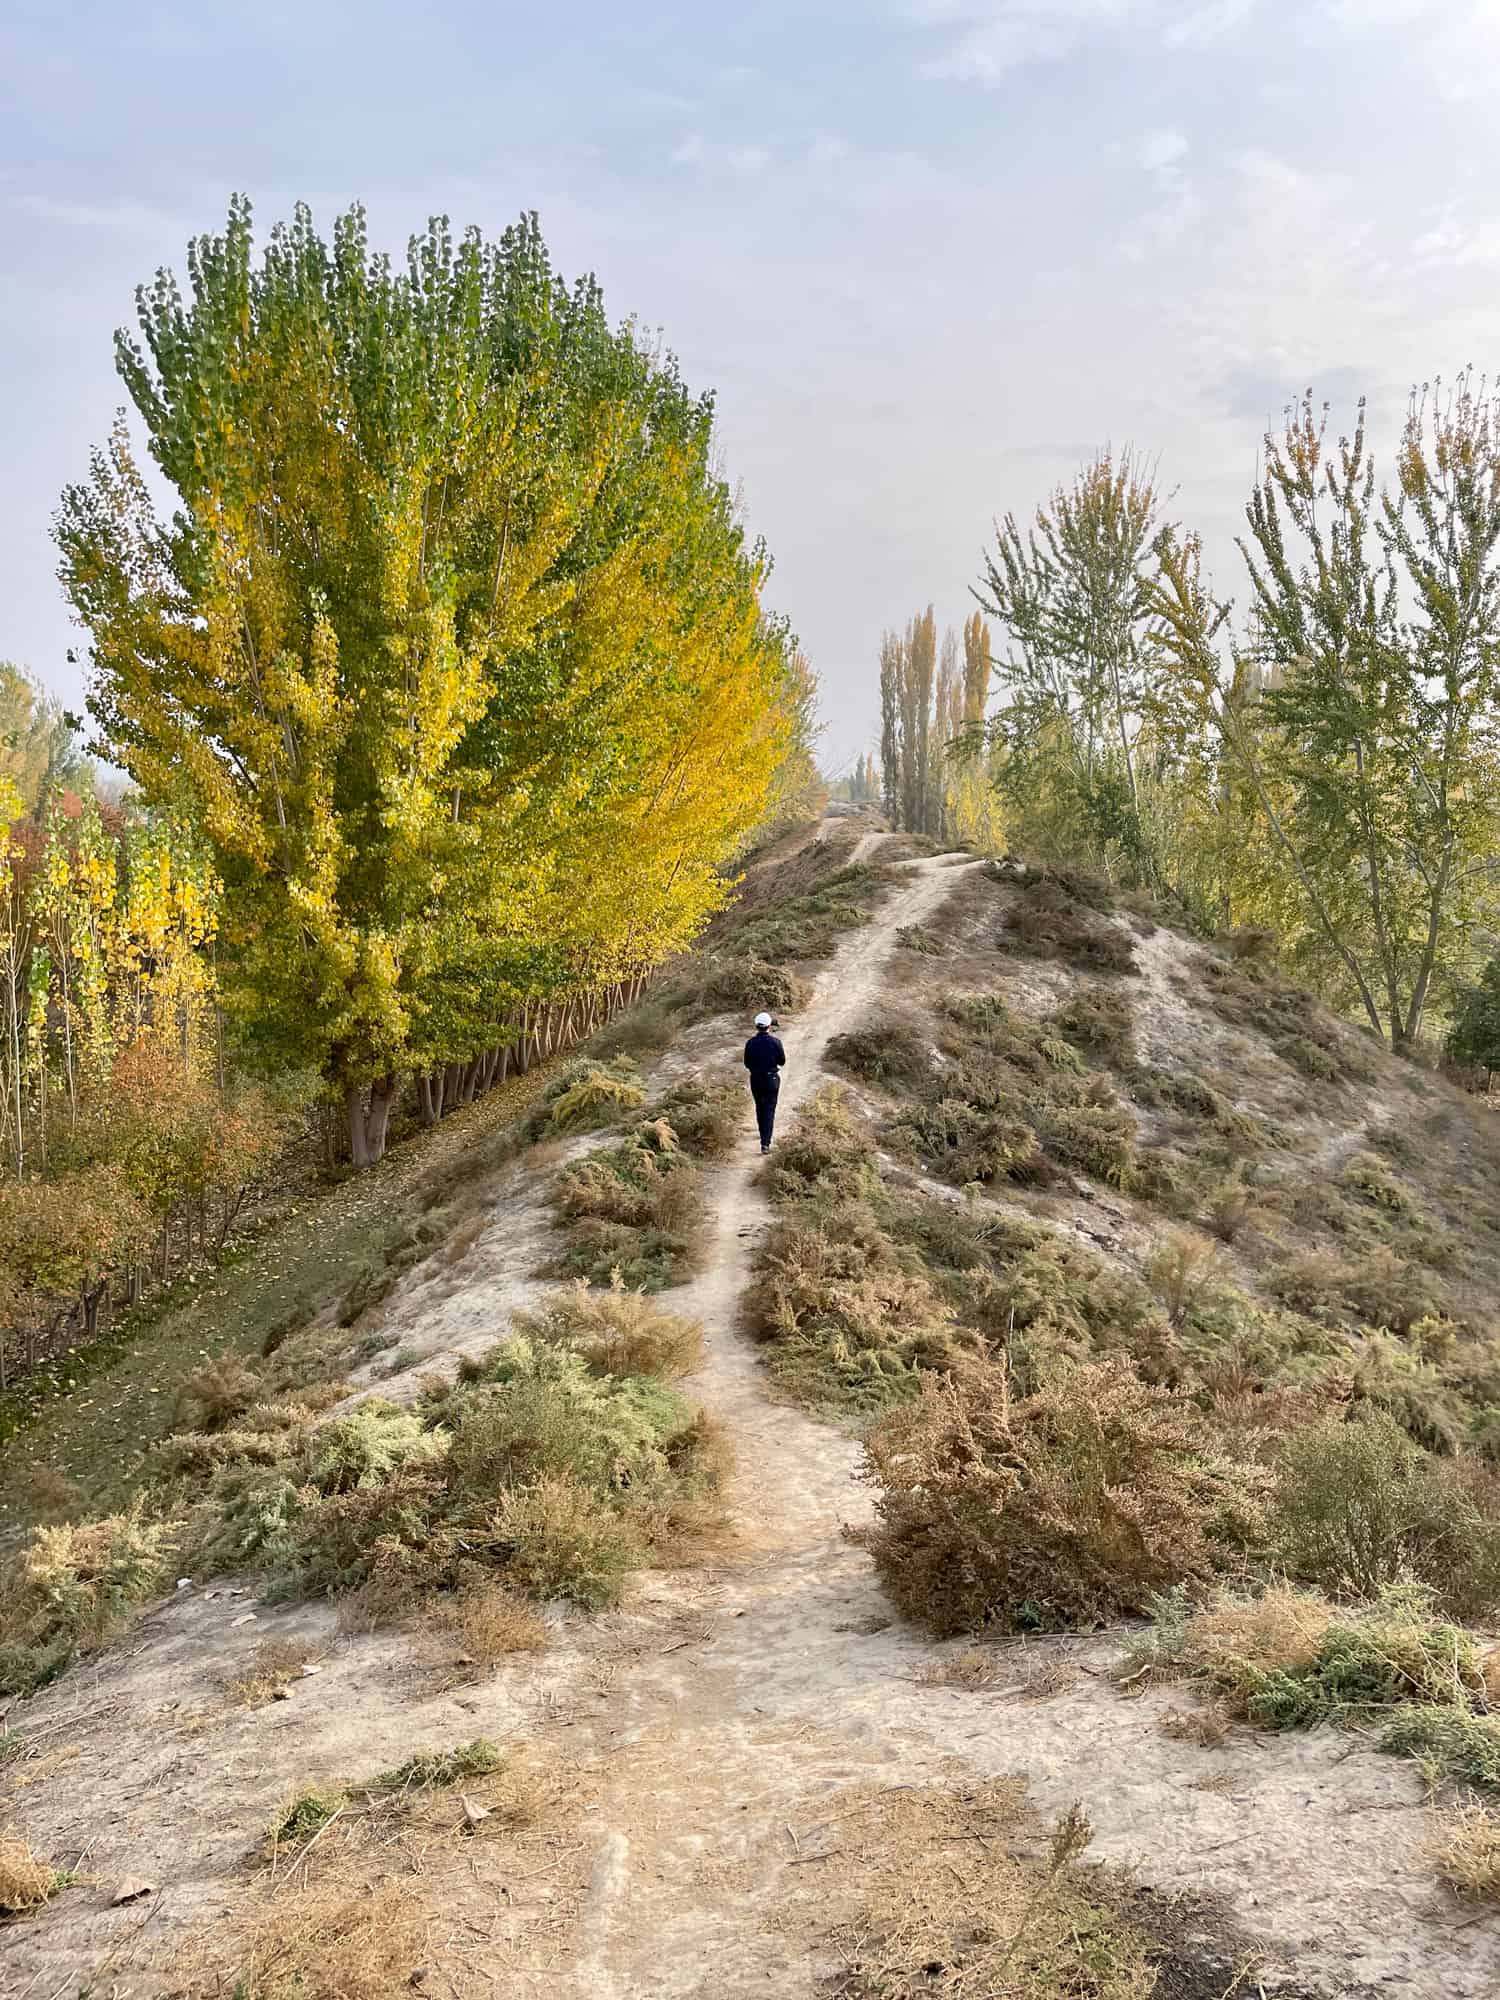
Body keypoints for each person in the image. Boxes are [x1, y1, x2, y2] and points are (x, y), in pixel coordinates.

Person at [743, 1009, 786, 1154]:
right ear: (769, 1026)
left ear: (756, 1026)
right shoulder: (775, 1042)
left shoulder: (750, 1043)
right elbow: (782, 1061)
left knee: (759, 1107)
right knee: (769, 1109)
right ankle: (765, 1143)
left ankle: (763, 1133)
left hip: (756, 1078)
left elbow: (747, 1063)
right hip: (771, 1078)